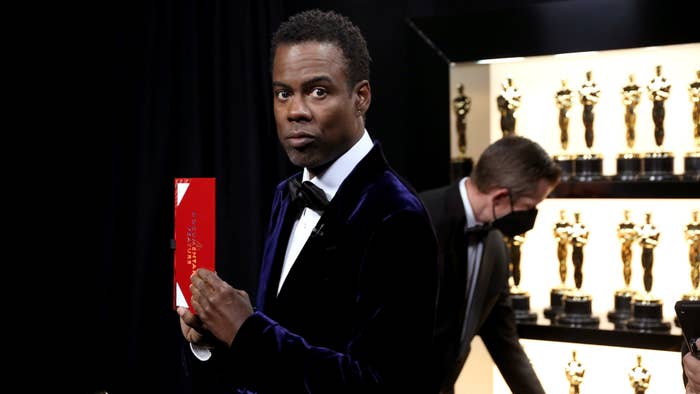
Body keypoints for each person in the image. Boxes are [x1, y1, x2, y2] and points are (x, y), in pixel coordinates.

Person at [176, 9, 438, 393]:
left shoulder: (397, 214)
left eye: (318, 91)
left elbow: (384, 384)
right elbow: (275, 357)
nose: (295, 111)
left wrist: (248, 331)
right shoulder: (287, 194)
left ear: (361, 97)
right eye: (284, 93)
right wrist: (214, 340)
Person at [419, 135, 561, 394]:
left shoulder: (496, 245)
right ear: (500, 198)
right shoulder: (412, 219)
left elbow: (504, 339)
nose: (531, 217)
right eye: (530, 207)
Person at [647, 64, 671, 148]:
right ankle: (658, 145)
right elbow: (650, 96)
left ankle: (660, 144)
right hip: (655, 105)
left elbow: (667, 95)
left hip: (661, 106)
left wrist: (658, 92)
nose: (658, 70)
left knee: (660, 124)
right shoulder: (651, 82)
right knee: (656, 125)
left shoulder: (665, 81)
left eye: (659, 69)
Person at [579, 70, 600, 150]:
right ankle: (588, 146)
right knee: (587, 128)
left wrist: (588, 97)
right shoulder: (583, 86)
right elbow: (581, 99)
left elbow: (596, 99)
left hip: (591, 109)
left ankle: (590, 146)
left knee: (590, 128)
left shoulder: (594, 86)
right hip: (585, 110)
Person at [621, 74, 642, 150]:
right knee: (628, 127)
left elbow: (637, 99)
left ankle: (631, 145)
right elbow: (623, 100)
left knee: (632, 127)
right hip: (627, 111)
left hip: (632, 111)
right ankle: (629, 145)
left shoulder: (636, 89)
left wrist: (630, 97)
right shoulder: (625, 89)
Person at [555, 80, 573, 151]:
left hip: (566, 112)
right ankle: (563, 146)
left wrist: (563, 100)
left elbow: (571, 102)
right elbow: (557, 101)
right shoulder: (559, 92)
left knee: (565, 129)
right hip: (561, 112)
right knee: (562, 129)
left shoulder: (569, 92)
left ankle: (565, 146)